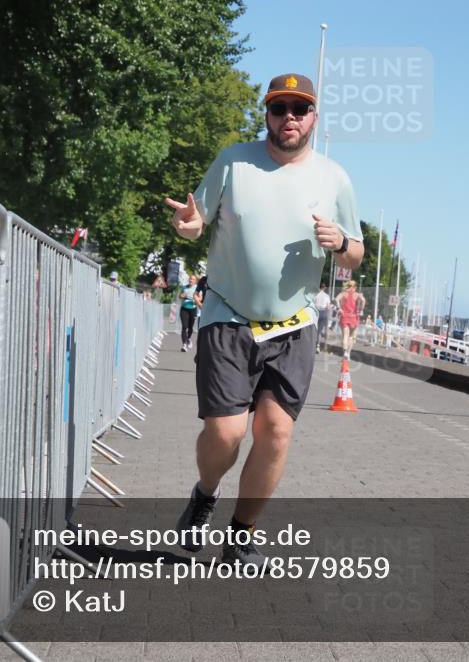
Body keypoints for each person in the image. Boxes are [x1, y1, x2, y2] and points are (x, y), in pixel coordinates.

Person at [164, 72, 364, 566]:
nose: (289, 118)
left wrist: (339, 243)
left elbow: (357, 254)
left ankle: (241, 533)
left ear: (314, 116)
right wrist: (187, 224)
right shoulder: (234, 160)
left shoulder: (334, 177)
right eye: (280, 109)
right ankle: (205, 494)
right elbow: (195, 223)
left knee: (275, 430)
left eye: (300, 109)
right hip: (228, 316)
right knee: (226, 433)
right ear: (267, 115)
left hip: (293, 324)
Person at [336, 280, 364, 359]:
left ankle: (345, 352)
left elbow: (336, 299)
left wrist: (339, 308)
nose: (356, 288)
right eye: (355, 287)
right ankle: (348, 353)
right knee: (351, 336)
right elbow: (363, 300)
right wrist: (361, 309)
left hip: (344, 316)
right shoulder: (357, 295)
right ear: (354, 287)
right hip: (354, 317)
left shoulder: (343, 293)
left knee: (345, 335)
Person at [179, 275, 199, 351]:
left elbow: (200, 297)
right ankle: (184, 344)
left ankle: (189, 338)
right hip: (184, 309)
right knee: (184, 326)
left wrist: (196, 299)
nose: (191, 280)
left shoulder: (197, 288)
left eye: (193, 279)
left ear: (195, 281)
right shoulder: (184, 287)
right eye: (190, 279)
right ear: (188, 279)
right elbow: (180, 296)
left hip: (193, 309)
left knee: (190, 327)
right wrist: (182, 295)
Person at [314, 282, 332, 353]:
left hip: (316, 312)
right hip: (324, 312)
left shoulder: (315, 295)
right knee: (319, 331)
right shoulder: (327, 296)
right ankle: (318, 346)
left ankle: (313, 344)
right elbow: (328, 307)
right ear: (324, 288)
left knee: (314, 329)